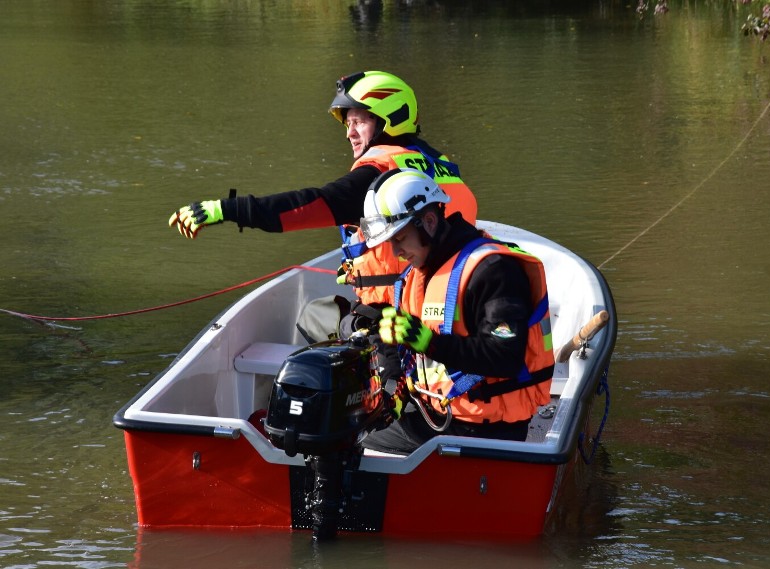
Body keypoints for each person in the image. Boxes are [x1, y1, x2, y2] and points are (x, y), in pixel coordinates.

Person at [167, 70, 477, 309]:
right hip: (452, 296)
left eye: (357, 121)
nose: (349, 134)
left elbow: (311, 205)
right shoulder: (442, 165)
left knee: (318, 326)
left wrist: (226, 210)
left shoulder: (381, 172)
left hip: (400, 310)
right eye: (347, 124)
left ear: (389, 118)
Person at [358, 168, 555, 455]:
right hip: (441, 416)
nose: (395, 252)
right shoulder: (417, 274)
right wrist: (393, 386)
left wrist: (429, 342)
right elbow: (402, 348)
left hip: (488, 429)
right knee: (350, 420)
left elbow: (506, 357)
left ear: (428, 221)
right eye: (390, 242)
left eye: (399, 238)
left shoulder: (493, 271)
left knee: (353, 436)